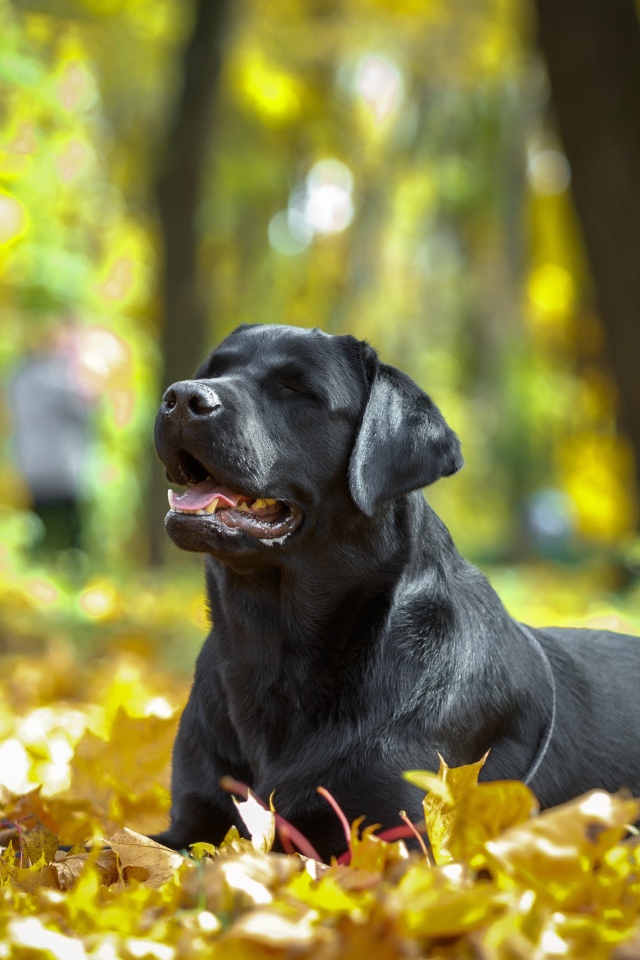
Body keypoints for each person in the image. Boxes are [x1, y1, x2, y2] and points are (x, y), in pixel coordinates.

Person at [10, 320, 95, 554]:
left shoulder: (18, 379)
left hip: (32, 464)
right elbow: (84, 408)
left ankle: (34, 572)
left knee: (38, 525)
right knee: (73, 532)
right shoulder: (57, 378)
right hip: (62, 467)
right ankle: (74, 569)